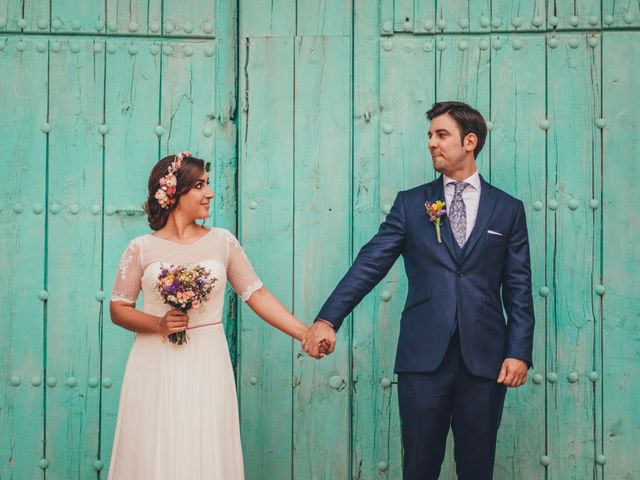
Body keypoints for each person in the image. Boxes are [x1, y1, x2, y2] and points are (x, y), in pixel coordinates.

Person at [302, 102, 535, 479]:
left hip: (486, 360)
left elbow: (519, 287)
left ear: (470, 141)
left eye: (441, 135)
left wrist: (519, 351)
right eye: (430, 135)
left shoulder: (508, 209)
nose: (431, 143)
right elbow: (370, 264)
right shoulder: (412, 205)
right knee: (419, 467)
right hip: (423, 360)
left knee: (477, 469)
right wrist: (328, 318)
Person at [108, 151, 311, 480]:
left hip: (206, 359)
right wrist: (158, 324)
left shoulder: (223, 242)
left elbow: (256, 293)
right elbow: (119, 308)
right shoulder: (141, 248)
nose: (210, 193)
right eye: (200, 186)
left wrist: (303, 333)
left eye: (208, 184)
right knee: (155, 441)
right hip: (153, 361)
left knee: (203, 441)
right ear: (174, 193)